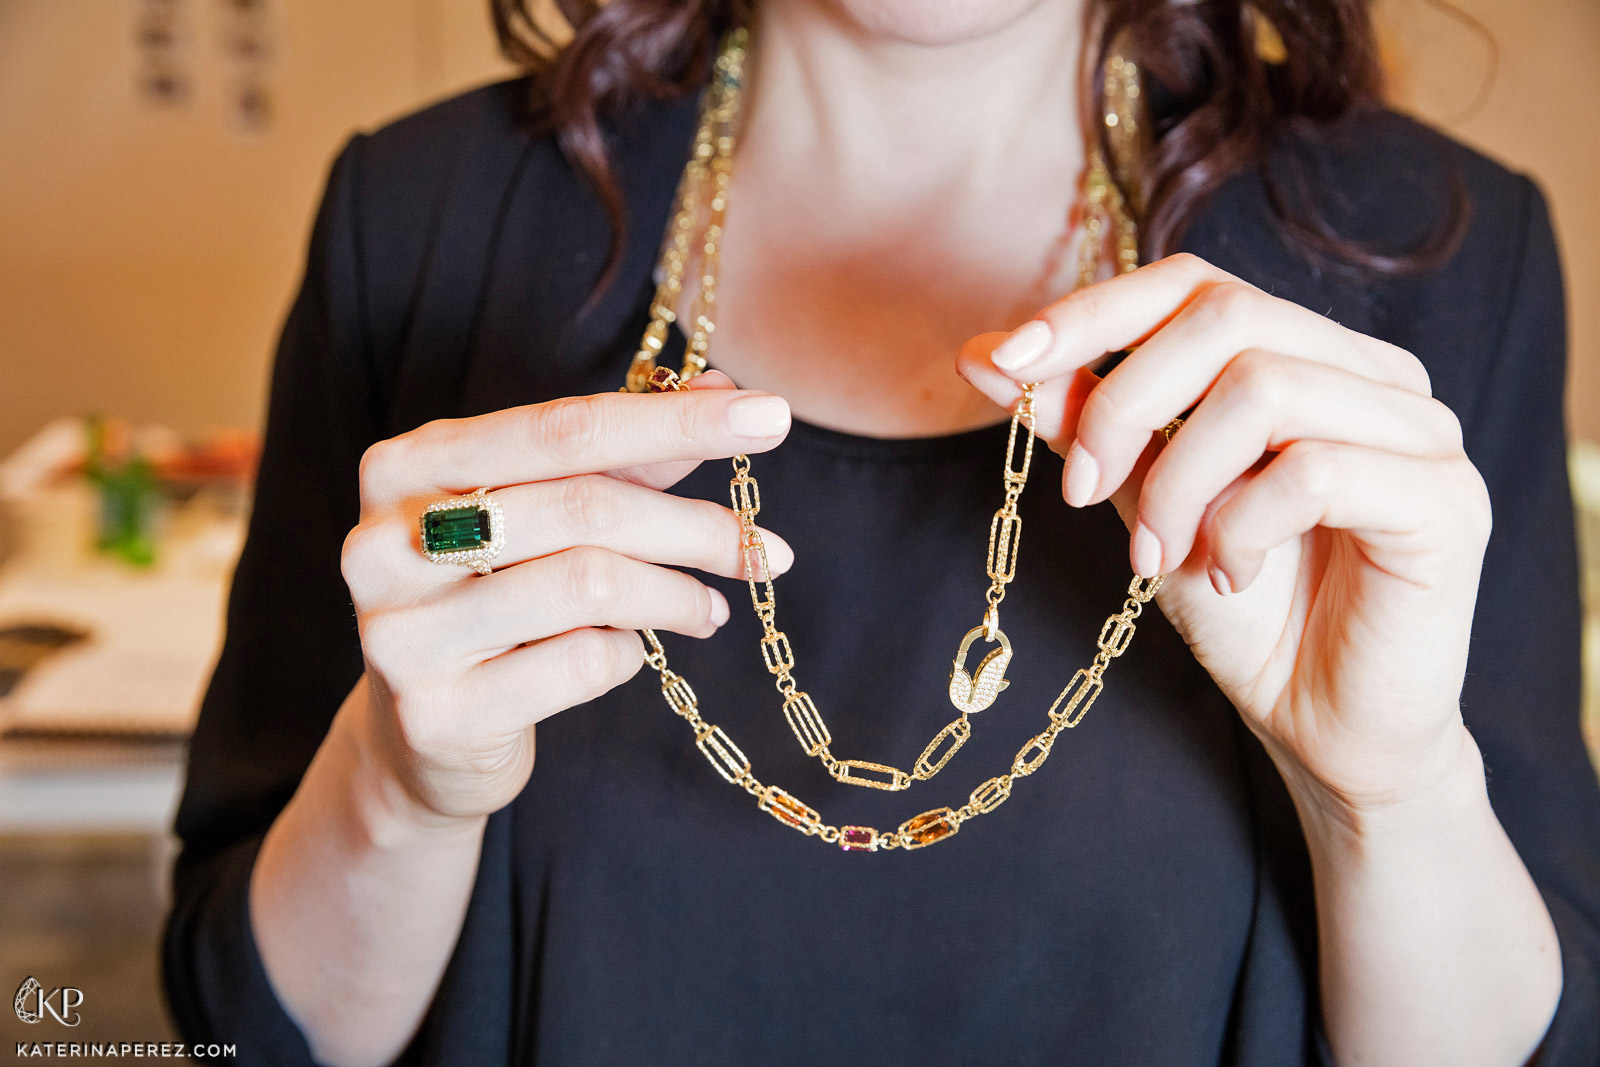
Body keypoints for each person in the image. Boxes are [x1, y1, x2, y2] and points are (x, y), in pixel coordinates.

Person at [161, 1, 1600, 1065]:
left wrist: (1388, 796)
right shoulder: (418, 218)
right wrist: (400, 789)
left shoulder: (1440, 251)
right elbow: (242, 1027)